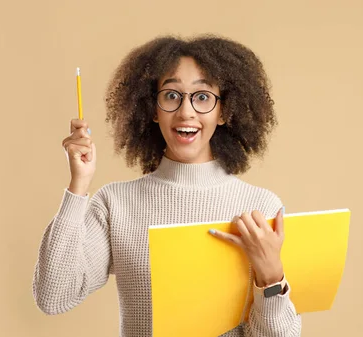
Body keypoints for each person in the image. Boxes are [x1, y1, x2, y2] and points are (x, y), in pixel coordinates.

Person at [32, 34, 302, 337]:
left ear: (224, 112)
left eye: (202, 97)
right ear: (152, 108)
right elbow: (53, 296)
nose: (186, 112)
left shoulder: (260, 209)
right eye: (172, 95)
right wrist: (78, 185)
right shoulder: (115, 203)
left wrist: (270, 276)